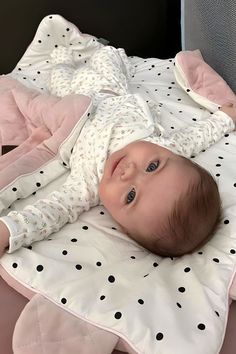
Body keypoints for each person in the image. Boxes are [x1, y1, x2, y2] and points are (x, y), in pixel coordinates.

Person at [0, 46, 235, 258]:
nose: (128, 173)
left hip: (71, 100)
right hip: (112, 88)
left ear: (120, 224)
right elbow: (197, 136)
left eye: (130, 196)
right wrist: (226, 118)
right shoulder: (164, 145)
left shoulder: (88, 184)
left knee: (58, 77)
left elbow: (52, 211)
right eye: (152, 167)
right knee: (109, 53)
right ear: (173, 156)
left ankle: (62, 58)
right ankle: (90, 47)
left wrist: (9, 230)